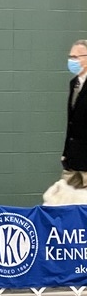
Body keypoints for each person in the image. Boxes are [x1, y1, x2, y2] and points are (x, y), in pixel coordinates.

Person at [61, 39, 87, 188]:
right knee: (62, 203)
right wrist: (66, 152)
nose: (72, 61)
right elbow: (72, 122)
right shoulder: (74, 83)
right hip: (73, 160)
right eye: (70, 57)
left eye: (76, 57)